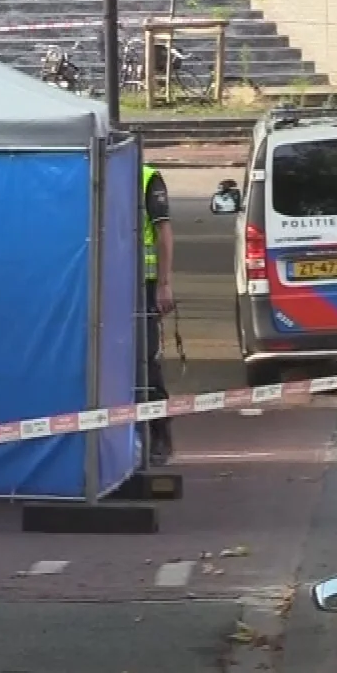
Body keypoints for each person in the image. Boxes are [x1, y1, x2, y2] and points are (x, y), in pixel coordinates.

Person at [143, 162, 176, 465]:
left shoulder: (147, 177)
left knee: (145, 359)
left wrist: (164, 284)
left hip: (144, 285)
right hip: (106, 284)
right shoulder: (88, 170)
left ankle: (160, 433)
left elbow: (163, 232)